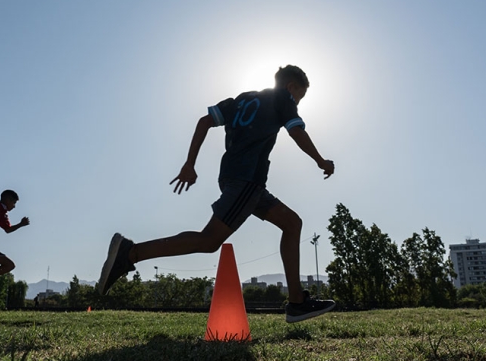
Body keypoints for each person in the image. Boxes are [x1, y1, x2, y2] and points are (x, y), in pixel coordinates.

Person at [98, 65, 336, 323]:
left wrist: (190, 163)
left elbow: (204, 121)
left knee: (292, 223)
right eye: (299, 96)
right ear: (292, 87)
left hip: (237, 180)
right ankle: (131, 253)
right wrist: (321, 161)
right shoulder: (284, 99)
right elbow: (296, 131)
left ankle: (297, 302)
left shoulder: (243, 98)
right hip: (247, 182)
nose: (297, 102)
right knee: (210, 241)